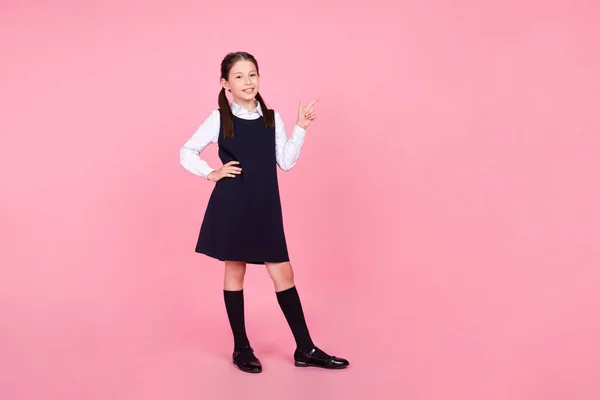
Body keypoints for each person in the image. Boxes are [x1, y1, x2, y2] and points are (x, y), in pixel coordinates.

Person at [179, 51, 349, 373]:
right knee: (235, 270)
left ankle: (306, 348)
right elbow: (186, 151)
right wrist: (210, 172)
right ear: (225, 83)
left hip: (265, 205)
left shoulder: (271, 117)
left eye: (252, 74)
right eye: (239, 76)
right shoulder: (219, 118)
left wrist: (301, 126)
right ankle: (241, 347)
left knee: (283, 273)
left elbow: (284, 161)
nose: (247, 81)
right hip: (232, 204)